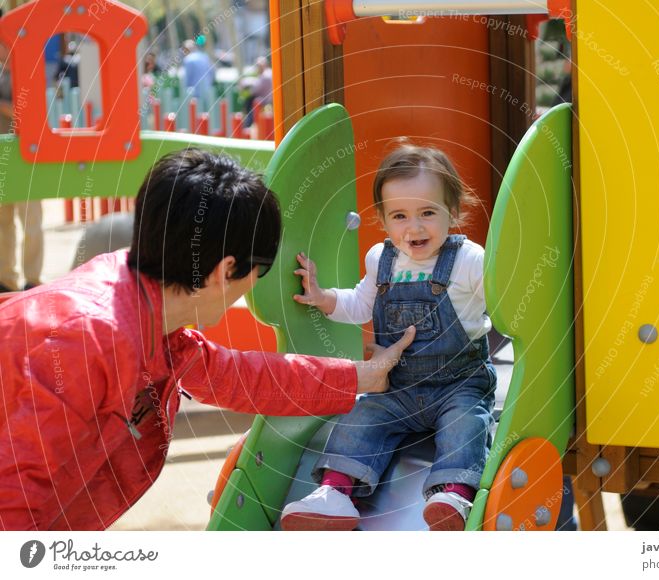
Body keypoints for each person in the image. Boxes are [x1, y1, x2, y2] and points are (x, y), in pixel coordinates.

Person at [0, 148, 415, 530]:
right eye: (261, 271)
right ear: (225, 270)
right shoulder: (82, 342)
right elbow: (16, 502)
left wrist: (365, 376)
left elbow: (241, 376)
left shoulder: (144, 307)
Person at [280, 144, 495, 531]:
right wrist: (323, 297)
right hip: (397, 387)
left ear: (453, 211)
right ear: (383, 219)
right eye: (399, 216)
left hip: (459, 383)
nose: (414, 228)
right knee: (360, 418)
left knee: (467, 423)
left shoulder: (470, 260)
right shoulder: (382, 259)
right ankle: (336, 493)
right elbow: (361, 304)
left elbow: (504, 302)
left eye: (428, 213)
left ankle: (453, 495)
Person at [0, 41, 43, 293]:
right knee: (3, 219)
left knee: (31, 219)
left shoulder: (23, 71)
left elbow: (26, 111)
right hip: (4, 153)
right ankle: (6, 278)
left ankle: (32, 278)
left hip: (25, 153)